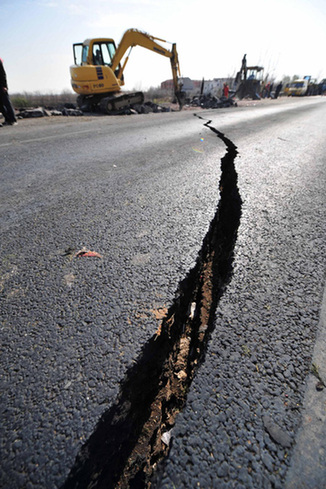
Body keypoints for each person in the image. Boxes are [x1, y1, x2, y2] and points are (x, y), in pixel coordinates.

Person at [0, 58, 17, 126]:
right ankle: (7, 119)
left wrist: (4, 86)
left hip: (1, 86)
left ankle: (12, 120)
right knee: (1, 105)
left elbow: (2, 74)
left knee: (7, 103)